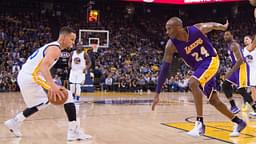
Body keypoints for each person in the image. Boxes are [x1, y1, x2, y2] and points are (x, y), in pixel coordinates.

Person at [152, 17, 246, 137]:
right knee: (214, 100)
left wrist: (222, 27)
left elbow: (211, 25)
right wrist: (157, 93)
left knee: (193, 82)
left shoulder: (196, 29)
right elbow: (164, 68)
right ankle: (239, 122)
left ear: (178, 27)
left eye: (169, 29)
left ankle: (200, 123)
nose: (167, 32)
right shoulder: (171, 45)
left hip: (211, 59)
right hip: (200, 69)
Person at [4, 27, 92, 141]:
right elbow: (44, 67)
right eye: (72, 39)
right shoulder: (55, 49)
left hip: (26, 76)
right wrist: (53, 86)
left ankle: (15, 122)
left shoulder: (53, 46)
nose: (73, 42)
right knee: (67, 95)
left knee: (44, 102)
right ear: (64, 37)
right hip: (32, 77)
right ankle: (73, 131)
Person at [222, 31, 256, 116]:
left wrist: (230, 72)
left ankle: (255, 108)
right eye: (224, 35)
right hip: (236, 68)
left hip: (242, 68)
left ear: (232, 36)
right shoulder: (230, 45)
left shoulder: (234, 45)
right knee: (225, 85)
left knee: (241, 90)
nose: (225, 36)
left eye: (227, 34)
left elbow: (240, 60)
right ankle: (233, 106)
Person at [68, 42, 91, 114]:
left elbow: (89, 62)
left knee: (78, 85)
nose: (79, 46)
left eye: (80, 45)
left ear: (82, 46)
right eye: (78, 45)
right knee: (72, 85)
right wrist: (69, 65)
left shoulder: (84, 54)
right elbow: (69, 61)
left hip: (80, 71)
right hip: (73, 71)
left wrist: (86, 68)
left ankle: (77, 98)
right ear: (76, 46)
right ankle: (72, 98)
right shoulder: (72, 53)